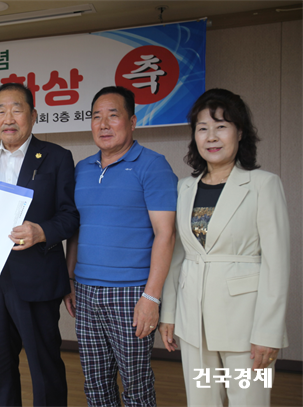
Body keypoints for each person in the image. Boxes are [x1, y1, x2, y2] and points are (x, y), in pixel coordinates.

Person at [159, 88, 290, 406]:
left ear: (240, 132)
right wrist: (169, 314)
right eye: (202, 128)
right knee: (202, 401)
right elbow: (177, 257)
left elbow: (277, 264)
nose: (211, 137)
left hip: (245, 326)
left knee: (250, 401)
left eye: (221, 126)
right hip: (194, 324)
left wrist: (268, 333)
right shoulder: (184, 187)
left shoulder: (263, 185)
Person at [0, 82, 79, 406]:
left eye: (16, 109)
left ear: (33, 115)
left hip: (36, 277)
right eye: (0, 110)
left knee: (44, 366)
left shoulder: (56, 157)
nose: (8, 118)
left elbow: (70, 216)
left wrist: (41, 231)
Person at [64, 86, 177, 406]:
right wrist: (69, 279)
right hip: (85, 291)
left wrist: (151, 297)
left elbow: (166, 234)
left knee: (136, 385)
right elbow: (76, 230)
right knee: (95, 383)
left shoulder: (153, 165)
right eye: (96, 117)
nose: (103, 124)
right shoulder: (82, 169)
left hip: (131, 292)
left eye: (113, 116)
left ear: (132, 121)